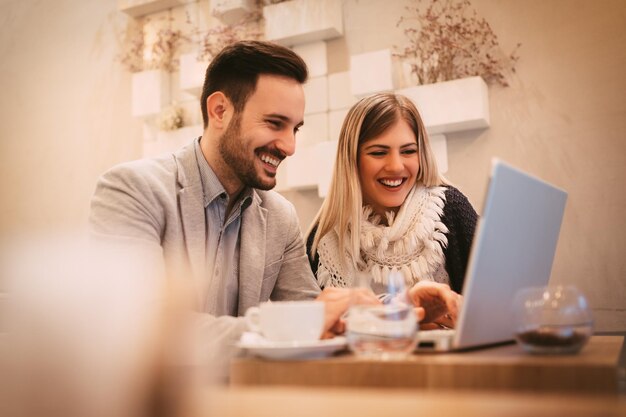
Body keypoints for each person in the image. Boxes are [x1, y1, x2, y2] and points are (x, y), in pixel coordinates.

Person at [89, 41, 379, 379]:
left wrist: (401, 310)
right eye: (275, 123)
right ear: (220, 111)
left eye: (295, 128)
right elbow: (142, 330)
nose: (290, 146)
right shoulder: (131, 189)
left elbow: (314, 317)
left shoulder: (280, 216)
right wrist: (295, 324)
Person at [306, 93, 478, 328]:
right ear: (351, 160)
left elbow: (493, 307)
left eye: (408, 151)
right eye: (378, 152)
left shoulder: (449, 210)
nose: (396, 166)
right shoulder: (322, 242)